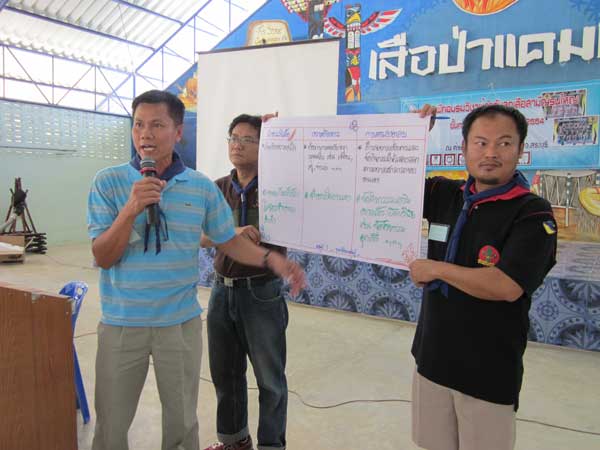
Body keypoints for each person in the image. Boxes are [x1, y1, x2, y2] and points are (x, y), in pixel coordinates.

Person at [87, 91, 304, 450]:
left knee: (182, 425)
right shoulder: (108, 182)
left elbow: (227, 239)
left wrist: (272, 260)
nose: (145, 134)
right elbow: (104, 255)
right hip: (122, 324)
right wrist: (130, 209)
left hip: (180, 325)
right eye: (138, 125)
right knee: (111, 425)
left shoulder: (201, 187)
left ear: (178, 132)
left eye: (157, 125)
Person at [409, 104, 557, 450]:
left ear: (520, 150)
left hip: (487, 372)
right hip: (431, 358)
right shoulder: (445, 194)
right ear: (463, 148)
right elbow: (390, 185)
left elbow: (507, 286)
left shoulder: (532, 213)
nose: (491, 153)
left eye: (504, 143)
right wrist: (413, 138)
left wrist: (436, 269)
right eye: (480, 143)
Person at [201, 113, 289, 450]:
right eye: (233, 138)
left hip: (262, 294)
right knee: (225, 375)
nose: (237, 145)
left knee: (270, 381)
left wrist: (283, 136)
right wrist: (232, 232)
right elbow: (199, 235)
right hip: (221, 292)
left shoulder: (279, 188)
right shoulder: (217, 188)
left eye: (248, 139)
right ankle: (234, 442)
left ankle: (271, 445)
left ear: (263, 145)